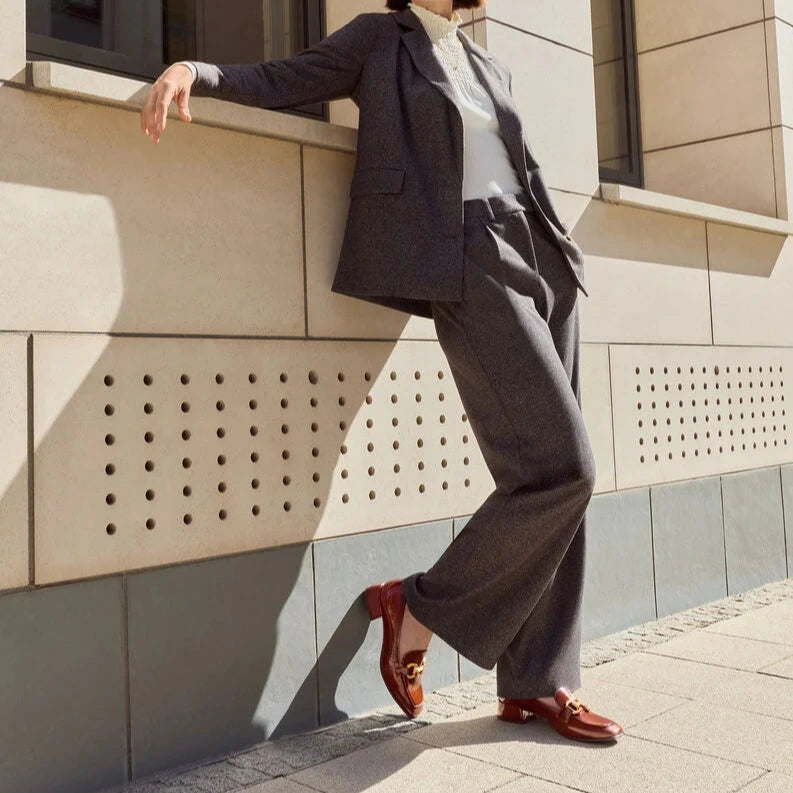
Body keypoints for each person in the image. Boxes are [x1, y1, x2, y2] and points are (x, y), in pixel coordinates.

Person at [140, 0, 623, 743]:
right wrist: (194, 71)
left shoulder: (486, 58)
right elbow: (283, 78)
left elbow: (513, 161)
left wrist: (559, 250)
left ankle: (539, 680)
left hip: (541, 255)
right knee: (564, 468)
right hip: (466, 254)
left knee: (558, 489)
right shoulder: (378, 38)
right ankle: (417, 605)